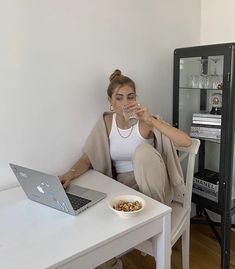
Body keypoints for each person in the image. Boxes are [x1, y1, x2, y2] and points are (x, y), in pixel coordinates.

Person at [59, 69, 192, 269]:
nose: (125, 102)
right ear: (110, 101)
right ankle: (111, 262)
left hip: (154, 189)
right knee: (90, 218)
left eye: (130, 97)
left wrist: (151, 120)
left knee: (142, 152)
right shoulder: (106, 122)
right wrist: (68, 175)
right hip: (124, 189)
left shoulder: (146, 122)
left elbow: (186, 141)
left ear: (136, 99)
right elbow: (88, 157)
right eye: (119, 98)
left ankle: (155, 223)